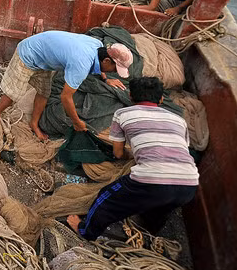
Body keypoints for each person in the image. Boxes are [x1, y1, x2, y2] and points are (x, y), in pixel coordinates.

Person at [66, 77, 199, 240]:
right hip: (189, 184)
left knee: (106, 198)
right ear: (162, 99)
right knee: (161, 208)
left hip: (150, 181)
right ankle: (151, 230)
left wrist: (132, 154)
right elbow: (180, 149)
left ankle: (85, 231)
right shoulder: (179, 121)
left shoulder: (123, 114)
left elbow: (118, 153)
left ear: (130, 96)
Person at [0, 31, 133, 139]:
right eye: (115, 68)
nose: (114, 72)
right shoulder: (81, 64)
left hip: (44, 61)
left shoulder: (98, 46)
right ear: (107, 60)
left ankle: (34, 124)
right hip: (28, 55)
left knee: (44, 92)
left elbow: (98, 66)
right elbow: (66, 97)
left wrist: (106, 79)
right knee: (13, 95)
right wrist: (77, 122)